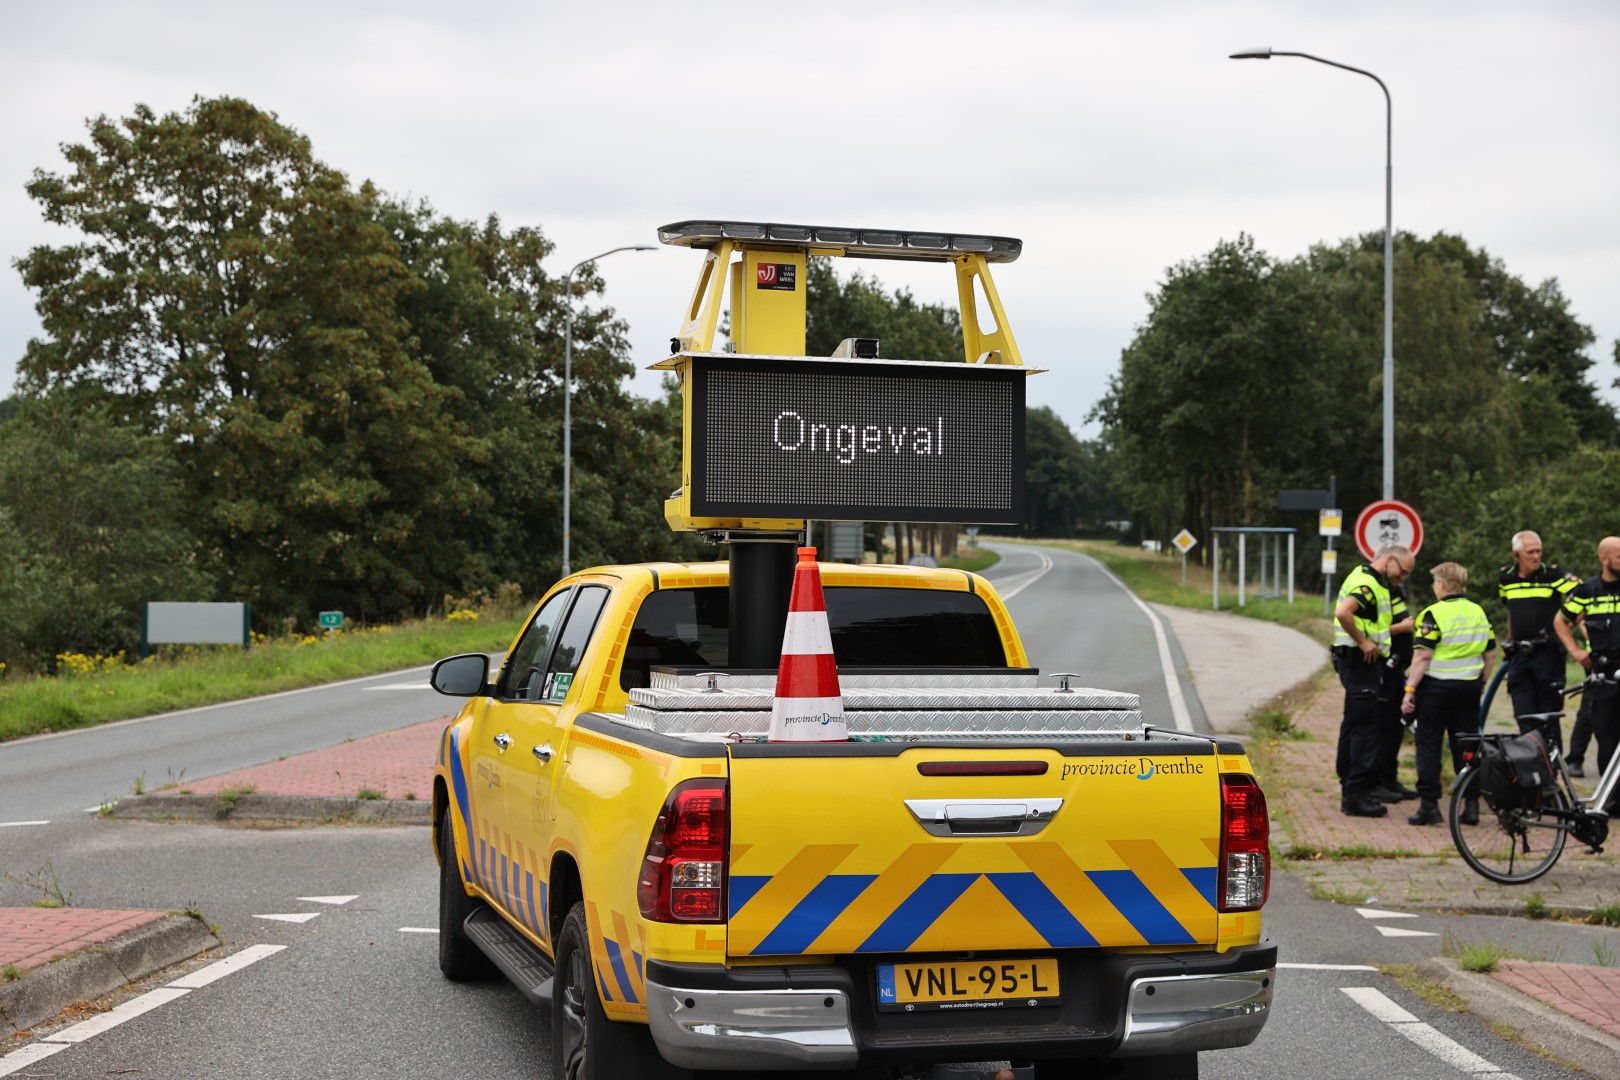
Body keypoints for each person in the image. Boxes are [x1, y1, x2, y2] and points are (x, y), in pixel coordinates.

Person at [1401, 563, 1496, 826]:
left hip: (1436, 689)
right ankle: (1472, 804)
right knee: (1466, 745)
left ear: (1441, 584)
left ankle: (1429, 806)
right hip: (1469, 688)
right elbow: (1490, 654)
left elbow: (1423, 655)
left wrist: (1409, 690)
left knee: (1429, 744)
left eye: (1435, 583)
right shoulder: (1478, 612)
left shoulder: (1432, 614)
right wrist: (1480, 681)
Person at [1333, 545, 1416, 817]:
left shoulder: (1371, 581)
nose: (1401, 578)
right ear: (1390, 560)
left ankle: (1350, 786)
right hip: (1360, 662)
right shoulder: (1367, 583)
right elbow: (1344, 612)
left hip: (1360, 663)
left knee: (1354, 724)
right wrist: (1363, 642)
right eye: (1402, 572)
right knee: (1364, 730)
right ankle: (1356, 795)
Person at [1498, 530, 1580, 750]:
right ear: (1516, 554)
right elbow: (1511, 613)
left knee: (1548, 716)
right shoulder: (1506, 577)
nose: (1536, 556)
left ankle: (1552, 774)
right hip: (1520, 656)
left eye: (1538, 551)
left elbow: (1584, 595)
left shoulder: (1553, 575)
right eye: (1530, 552)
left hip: (1548, 654)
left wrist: (1565, 625)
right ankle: (1532, 768)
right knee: (1523, 714)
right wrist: (1509, 641)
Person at [1554, 536, 1620, 780]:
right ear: (1604, 559)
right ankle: (1611, 800)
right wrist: (1575, 651)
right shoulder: (1588, 590)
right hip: (1602, 675)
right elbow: (1560, 620)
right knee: (1606, 738)